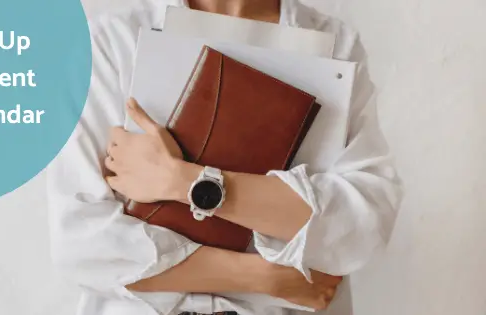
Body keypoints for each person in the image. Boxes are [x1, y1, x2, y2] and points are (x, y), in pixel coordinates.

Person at [46, 0, 403, 314]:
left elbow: (362, 224)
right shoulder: (111, 43)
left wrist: (181, 180)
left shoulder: (336, 43)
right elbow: (82, 243)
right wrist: (268, 277)